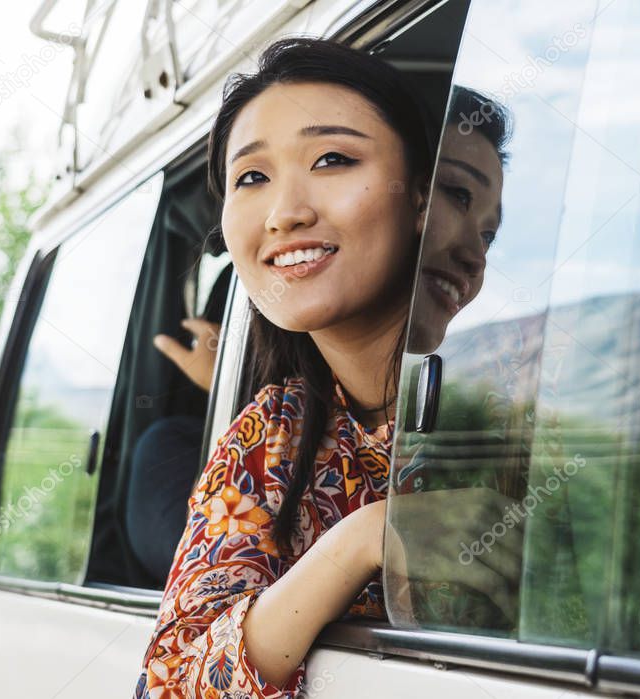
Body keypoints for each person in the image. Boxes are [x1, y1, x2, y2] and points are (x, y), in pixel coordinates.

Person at [134, 37, 513, 698]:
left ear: (415, 202)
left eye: (332, 159)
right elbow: (167, 683)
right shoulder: (270, 433)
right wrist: (362, 539)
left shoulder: (518, 403)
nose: (285, 213)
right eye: (250, 177)